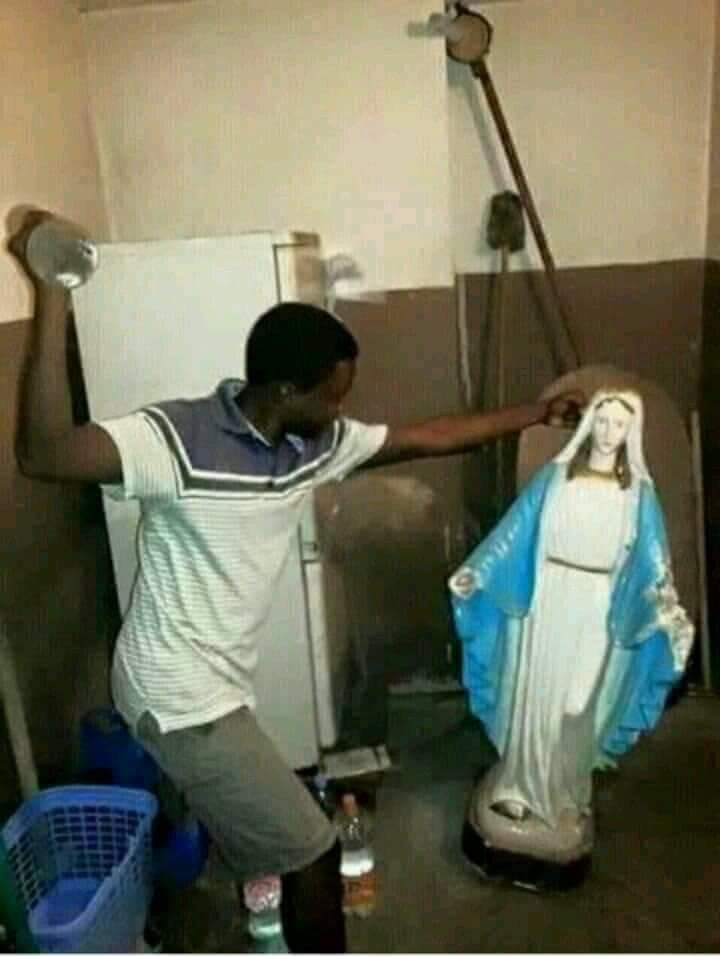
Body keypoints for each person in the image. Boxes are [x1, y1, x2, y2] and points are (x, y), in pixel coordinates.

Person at [9, 210, 582, 953]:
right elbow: (46, 453)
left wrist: (536, 412)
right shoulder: (177, 440)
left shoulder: (313, 443)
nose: (341, 410)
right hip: (176, 698)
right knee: (313, 851)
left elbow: (424, 436)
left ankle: (246, 883)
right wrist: (52, 290)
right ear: (284, 390)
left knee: (261, 822)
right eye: (331, 396)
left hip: (219, 687)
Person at [449, 389, 694, 844]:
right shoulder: (556, 478)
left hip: (597, 604)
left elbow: (652, 562)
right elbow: (514, 533)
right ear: (588, 424)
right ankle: (519, 787)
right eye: (602, 421)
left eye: (618, 424)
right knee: (536, 694)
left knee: (577, 704)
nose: (608, 432)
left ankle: (565, 788)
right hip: (547, 599)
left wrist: (667, 613)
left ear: (631, 432)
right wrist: (479, 572)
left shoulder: (638, 496)